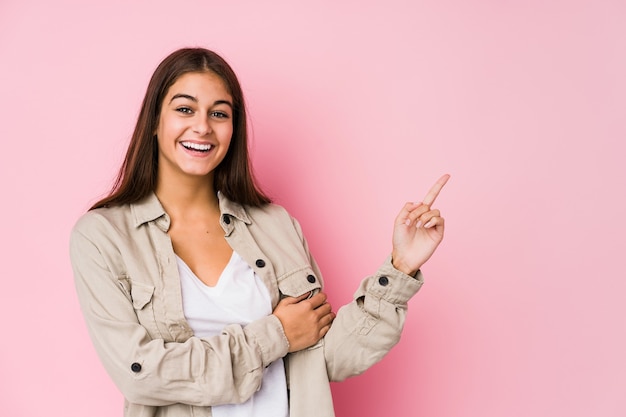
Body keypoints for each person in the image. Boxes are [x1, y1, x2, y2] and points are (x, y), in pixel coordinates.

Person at [69, 47, 449, 417]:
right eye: (185, 109)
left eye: (219, 113)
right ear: (154, 120)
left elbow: (325, 360)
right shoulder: (103, 236)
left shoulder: (275, 225)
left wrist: (399, 268)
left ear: (233, 128)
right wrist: (276, 334)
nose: (202, 126)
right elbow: (141, 373)